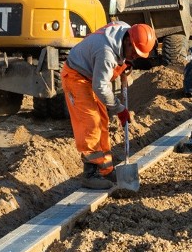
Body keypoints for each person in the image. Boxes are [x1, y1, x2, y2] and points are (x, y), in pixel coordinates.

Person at [60, 21, 157, 189]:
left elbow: (116, 61)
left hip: (91, 74)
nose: (134, 57)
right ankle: (90, 174)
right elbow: (101, 86)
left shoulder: (126, 30)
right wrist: (119, 108)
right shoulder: (106, 53)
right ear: (128, 42)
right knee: (91, 122)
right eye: (134, 53)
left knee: (102, 120)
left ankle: (105, 170)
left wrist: (125, 63)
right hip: (76, 76)